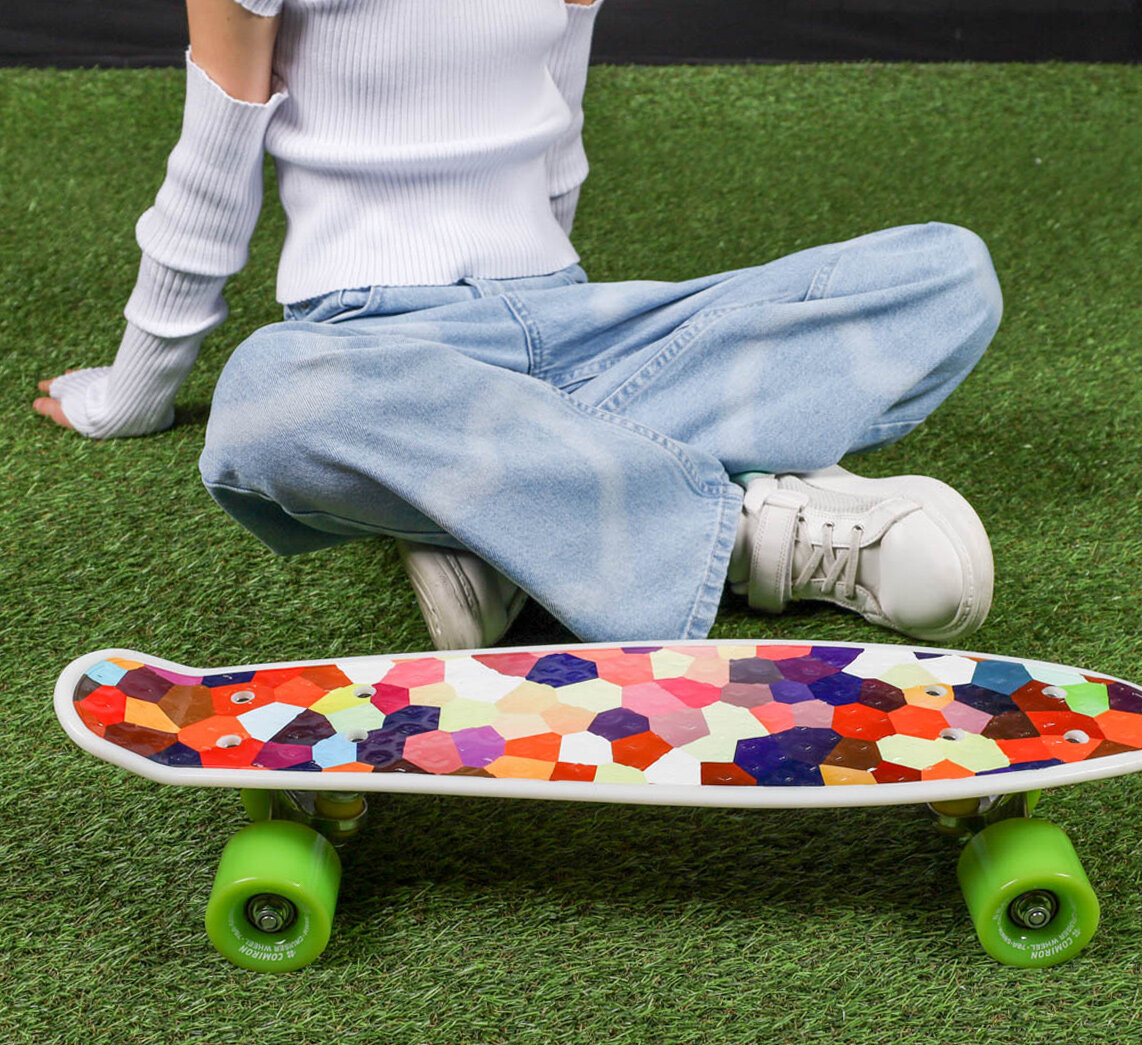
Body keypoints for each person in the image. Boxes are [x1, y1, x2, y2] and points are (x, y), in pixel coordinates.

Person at [34, 0, 1003, 650]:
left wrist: (569, 354)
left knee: (946, 273)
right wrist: (136, 390)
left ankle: (503, 522)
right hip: (375, 338)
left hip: (562, 310)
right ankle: (751, 534)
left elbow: (558, 132)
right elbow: (213, 170)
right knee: (263, 402)